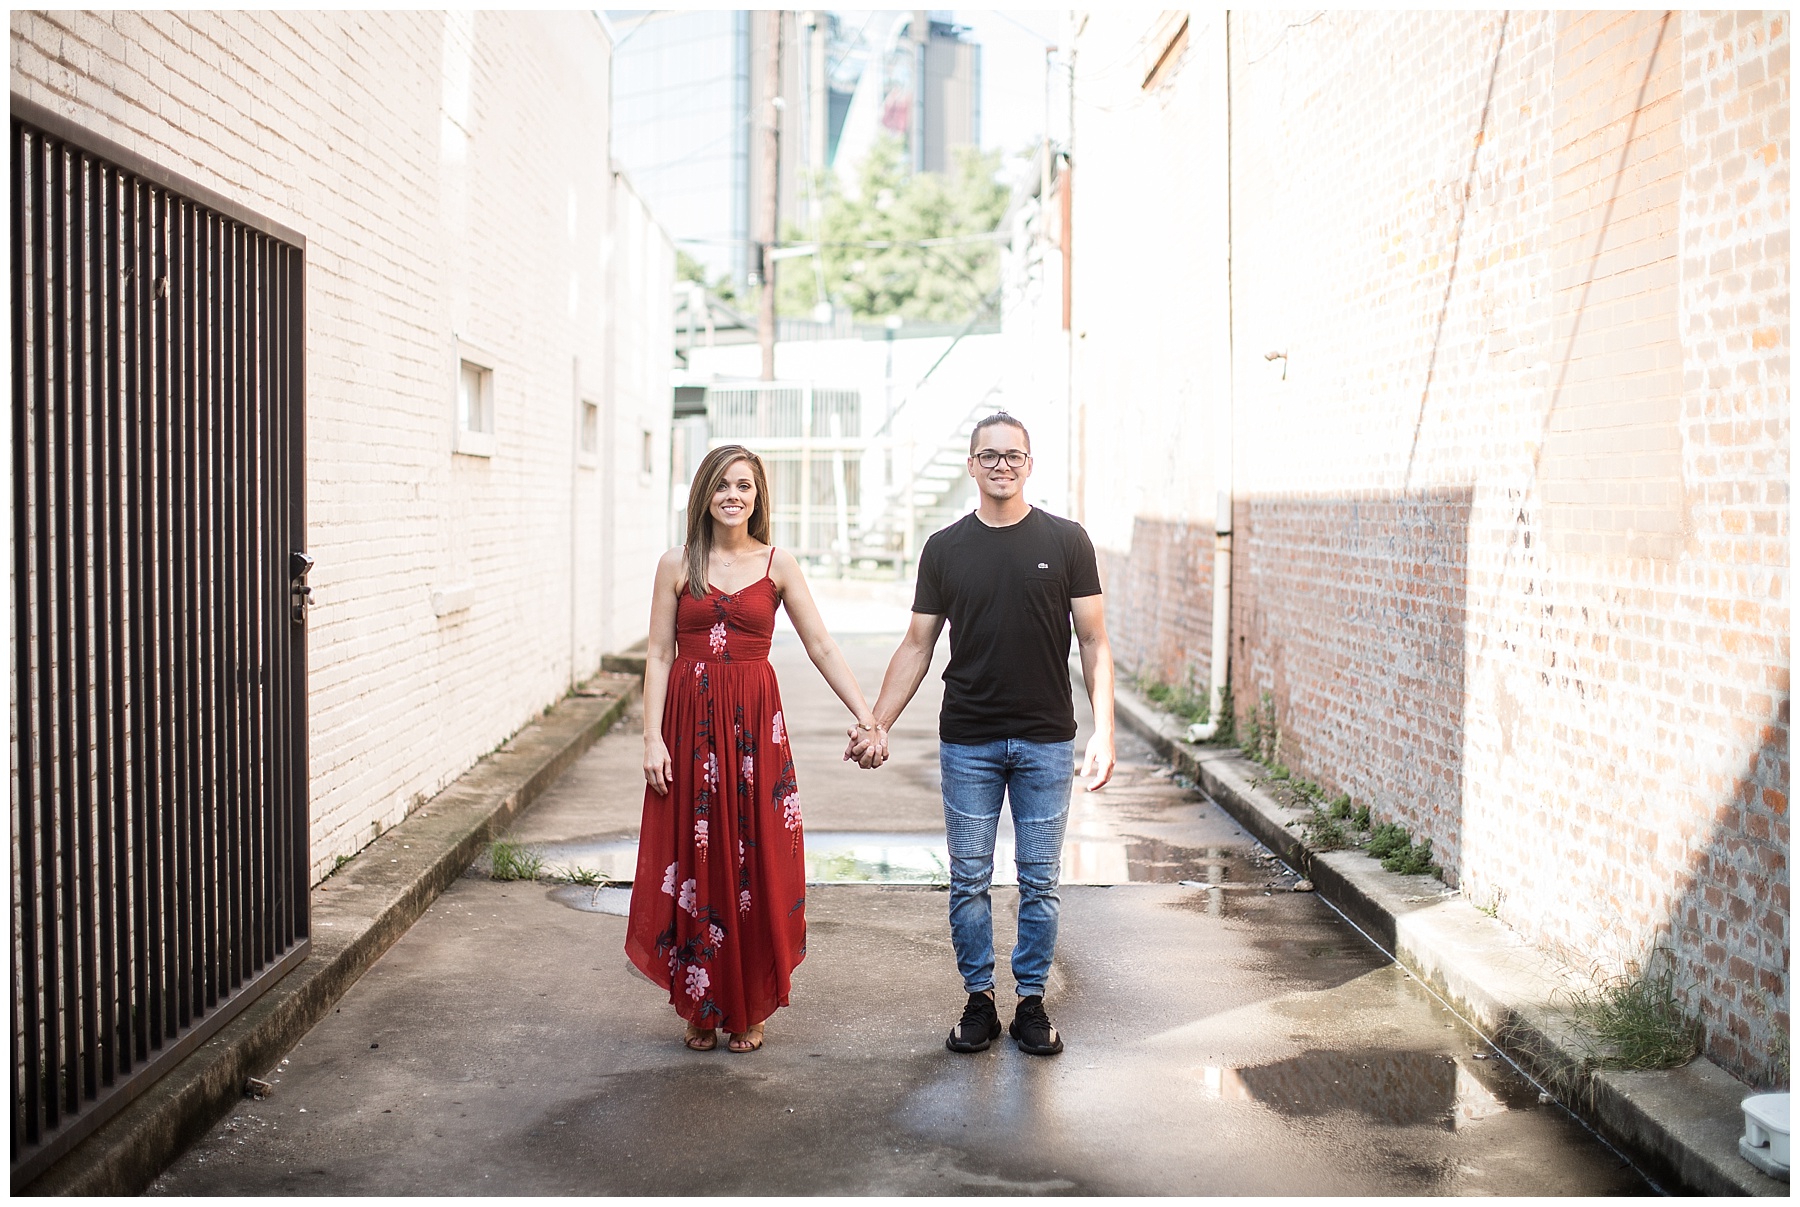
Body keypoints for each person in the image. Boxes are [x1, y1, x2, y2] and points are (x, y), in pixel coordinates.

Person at [847, 411, 1115, 1057]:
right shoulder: (946, 547)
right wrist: (878, 721)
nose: (1002, 465)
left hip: (1046, 738)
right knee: (969, 877)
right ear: (972, 465)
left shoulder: (1068, 539)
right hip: (968, 737)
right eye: (989, 455)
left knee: (1040, 879)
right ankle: (978, 1000)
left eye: (1013, 455)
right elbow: (917, 644)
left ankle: (1029, 1002)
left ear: (1030, 463)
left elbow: (1095, 641)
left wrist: (1105, 731)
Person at [625, 444, 880, 1053]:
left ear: (759, 495)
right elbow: (659, 652)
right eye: (721, 486)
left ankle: (749, 1002)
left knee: (753, 857)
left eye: (744, 485)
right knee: (694, 857)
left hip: (752, 731)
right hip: (688, 729)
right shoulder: (675, 564)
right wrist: (651, 736)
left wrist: (869, 716)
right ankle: (700, 1002)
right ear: (703, 496)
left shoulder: (779, 563)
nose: (733, 495)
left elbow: (819, 645)